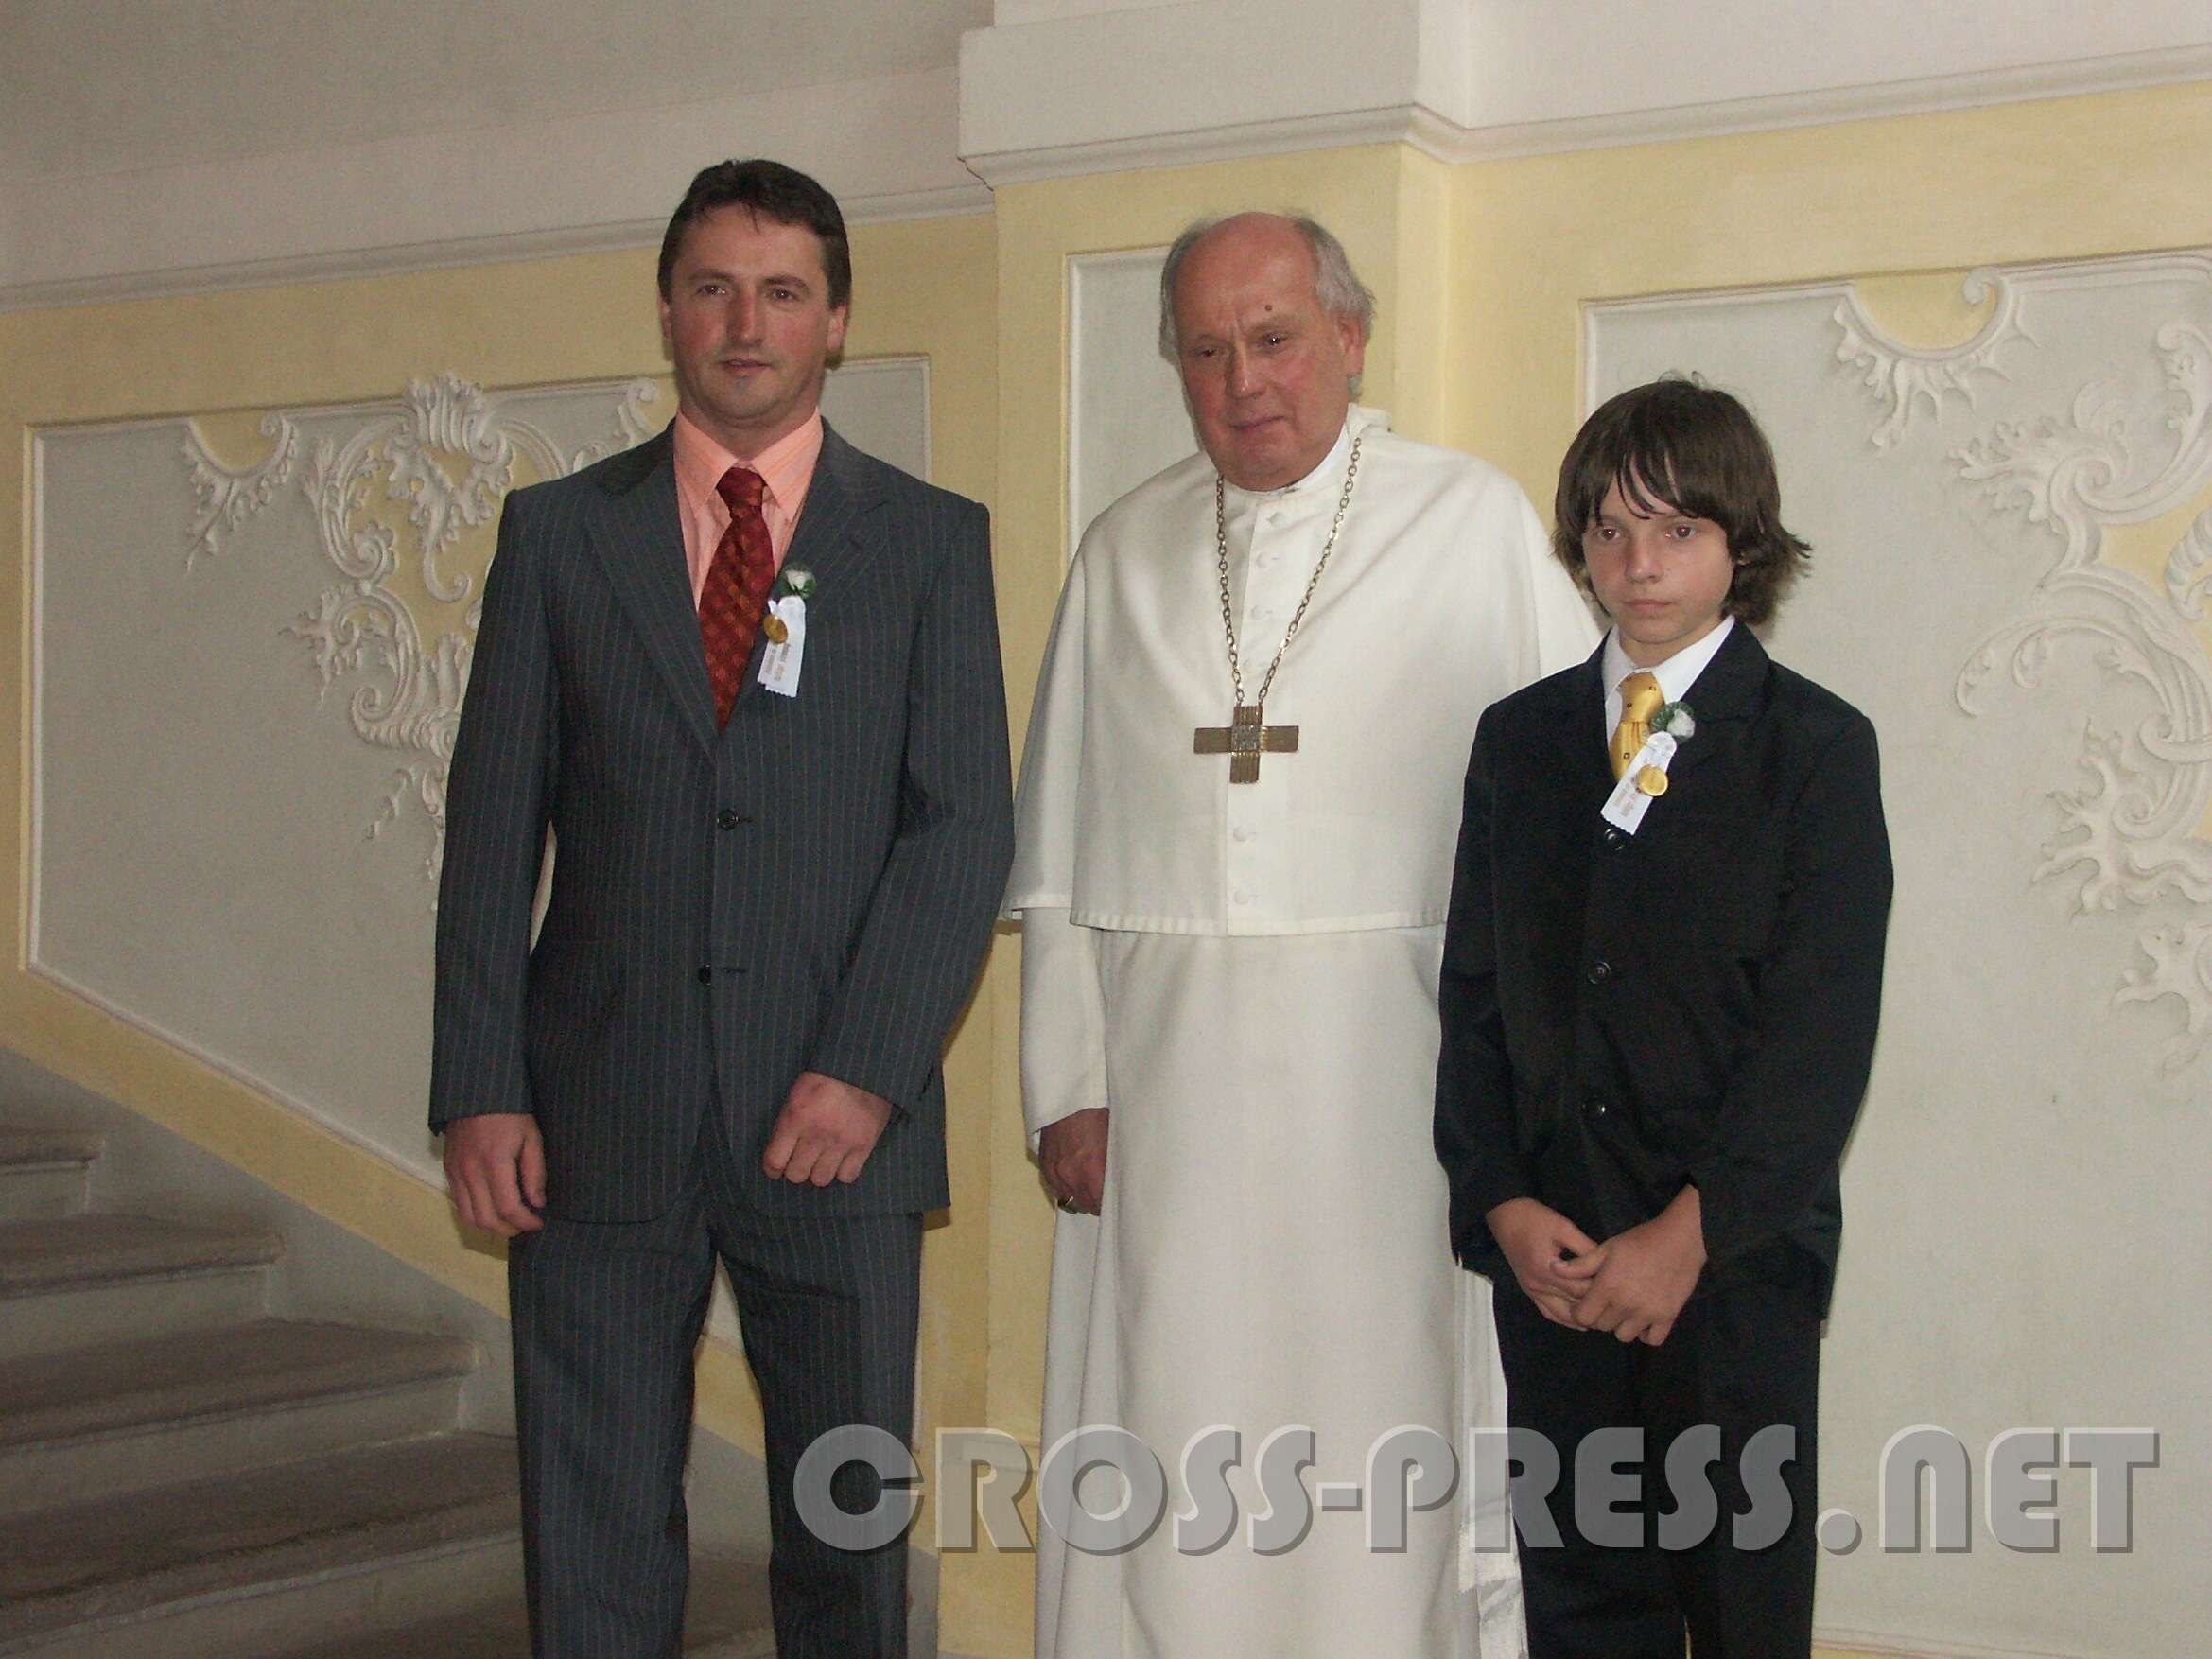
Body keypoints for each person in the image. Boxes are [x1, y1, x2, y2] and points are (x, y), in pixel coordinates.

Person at [429, 158, 1012, 1658]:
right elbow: (491, 832)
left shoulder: (930, 541)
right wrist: (480, 1084)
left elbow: (961, 830)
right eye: (714, 288)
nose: (746, 324)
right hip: (593, 1114)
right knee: (595, 1527)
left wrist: (866, 1069)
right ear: (669, 311)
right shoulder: (557, 535)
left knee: (844, 1532)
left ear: (836, 322)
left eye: (783, 292)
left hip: (837, 1125)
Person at [1006, 211, 1597, 1658]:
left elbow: (1575, 843)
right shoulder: (1124, 550)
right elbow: (1058, 862)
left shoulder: (1473, 524)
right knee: (1172, 1415)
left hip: (1395, 1091)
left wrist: (1550, 1104)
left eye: (1272, 338)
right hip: (1167, 1097)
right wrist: (1065, 1081)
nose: (1243, 380)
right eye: (1205, 351)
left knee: (1384, 1427)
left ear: (1349, 336)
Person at [1434, 378, 1893, 1657]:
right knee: (1581, 1594)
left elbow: (1820, 1035)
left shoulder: (1814, 748)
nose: (1639, 565)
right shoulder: (1520, 740)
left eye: (1677, 530)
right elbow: (1475, 996)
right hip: (1560, 1260)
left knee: (1740, 1595)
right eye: (1611, 529)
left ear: (1743, 542)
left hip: (1731, 1264)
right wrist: (1500, 1200)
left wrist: (1693, 1231)